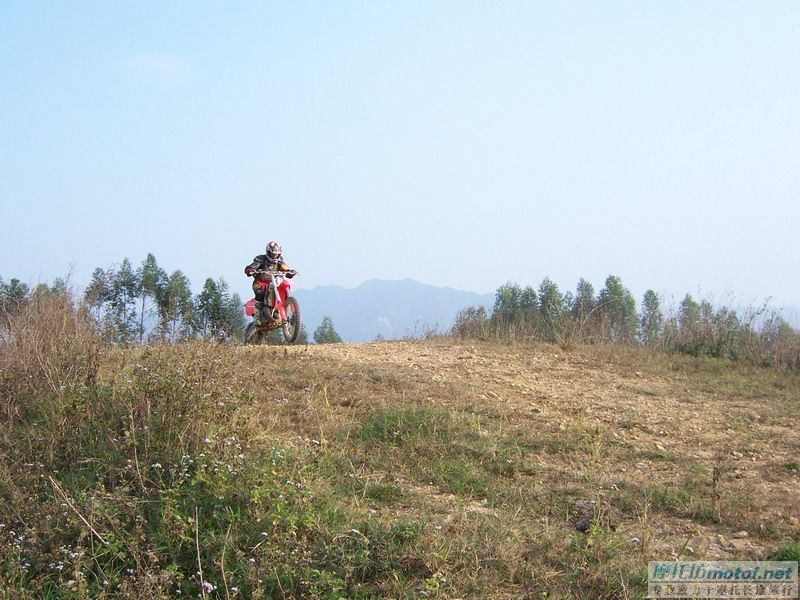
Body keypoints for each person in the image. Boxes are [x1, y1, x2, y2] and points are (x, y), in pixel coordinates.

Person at [244, 241, 296, 325]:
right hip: (261, 282)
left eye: (277, 254)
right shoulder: (261, 259)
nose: (275, 256)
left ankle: (291, 312)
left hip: (275, 282)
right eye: (273, 254)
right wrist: (250, 270)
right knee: (260, 292)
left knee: (284, 286)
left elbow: (284, 267)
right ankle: (257, 317)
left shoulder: (280, 260)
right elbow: (252, 266)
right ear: (268, 252)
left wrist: (289, 272)